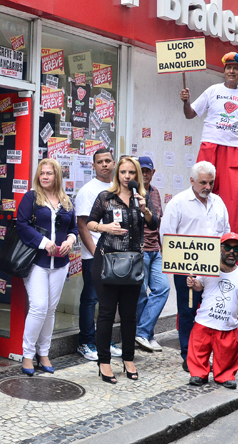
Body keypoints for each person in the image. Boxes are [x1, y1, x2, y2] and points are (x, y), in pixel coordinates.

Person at [180, 52, 238, 281]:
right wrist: (185, 101)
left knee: (235, 208)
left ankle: (232, 272)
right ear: (223, 70)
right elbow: (190, 114)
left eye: (236, 68)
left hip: (235, 152)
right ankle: (197, 268)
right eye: (228, 67)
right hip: (210, 148)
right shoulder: (212, 91)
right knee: (199, 199)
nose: (231, 71)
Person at [86, 156, 158, 383]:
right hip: (107, 261)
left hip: (133, 263)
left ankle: (128, 359)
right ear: (118, 174)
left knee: (129, 314)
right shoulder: (106, 197)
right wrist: (105, 227)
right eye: (123, 172)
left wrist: (145, 210)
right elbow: (89, 223)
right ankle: (104, 362)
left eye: (131, 172)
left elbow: (154, 224)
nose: (127, 176)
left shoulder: (142, 197)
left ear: (137, 175)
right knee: (106, 313)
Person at [159, 161, 231, 372]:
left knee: (213, 313)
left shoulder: (219, 203)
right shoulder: (178, 203)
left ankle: (210, 354)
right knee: (188, 312)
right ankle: (189, 356)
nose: (207, 187)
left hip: (214, 271)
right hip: (187, 270)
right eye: (203, 183)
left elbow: (226, 233)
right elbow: (167, 235)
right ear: (192, 181)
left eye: (211, 182)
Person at [16, 159, 78, 375]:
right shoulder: (31, 197)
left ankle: (44, 353)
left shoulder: (67, 201)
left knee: (50, 310)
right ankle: (27, 354)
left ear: (57, 175)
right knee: (39, 307)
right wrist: (44, 243)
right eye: (42, 173)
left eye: (49, 173)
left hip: (60, 264)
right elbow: (21, 225)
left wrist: (70, 240)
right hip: (37, 262)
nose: (44, 176)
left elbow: (73, 228)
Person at [186, 232, 238, 389]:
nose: (231, 251)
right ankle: (198, 374)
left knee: (227, 352)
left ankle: (225, 375)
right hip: (204, 321)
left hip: (227, 324)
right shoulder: (208, 269)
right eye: (228, 247)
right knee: (198, 349)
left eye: (236, 248)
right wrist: (193, 283)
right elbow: (199, 286)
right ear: (220, 248)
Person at [74, 149, 122, 361]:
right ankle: (86, 342)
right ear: (93, 166)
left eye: (107, 161)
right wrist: (96, 255)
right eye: (100, 162)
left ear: (114, 163)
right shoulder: (88, 190)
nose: (104, 164)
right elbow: (82, 226)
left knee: (108, 301)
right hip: (94, 255)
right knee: (91, 298)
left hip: (115, 255)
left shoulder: (117, 189)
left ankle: (104, 341)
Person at [134, 156, 169, 352]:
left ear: (153, 172)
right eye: (141, 170)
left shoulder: (155, 193)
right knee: (141, 296)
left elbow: (158, 223)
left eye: (148, 170)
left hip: (155, 250)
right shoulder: (132, 192)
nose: (145, 174)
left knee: (162, 289)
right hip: (140, 251)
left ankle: (143, 332)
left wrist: (162, 247)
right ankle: (147, 334)